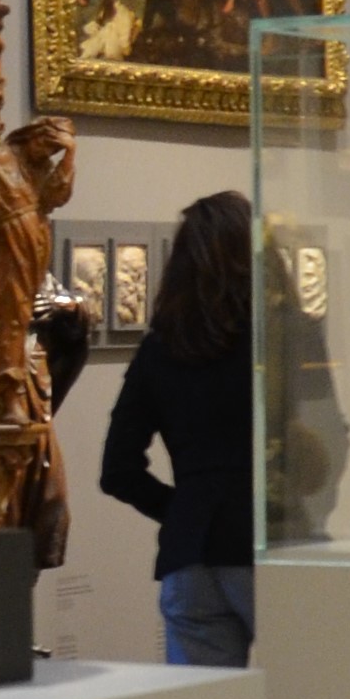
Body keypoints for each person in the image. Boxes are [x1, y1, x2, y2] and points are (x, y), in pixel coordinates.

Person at [102, 187, 257, 665]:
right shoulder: (276, 341)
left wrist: (184, 509)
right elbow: (326, 443)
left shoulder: (162, 348)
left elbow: (117, 471)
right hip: (265, 548)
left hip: (191, 555)